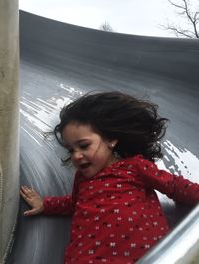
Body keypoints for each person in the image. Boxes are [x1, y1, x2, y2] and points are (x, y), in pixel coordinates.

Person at [20, 91, 199, 264]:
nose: (76, 155)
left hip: (142, 255)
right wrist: (46, 204)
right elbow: (74, 204)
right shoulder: (81, 179)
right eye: (71, 150)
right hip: (86, 258)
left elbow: (175, 186)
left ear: (110, 139)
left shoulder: (134, 167)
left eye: (83, 145)